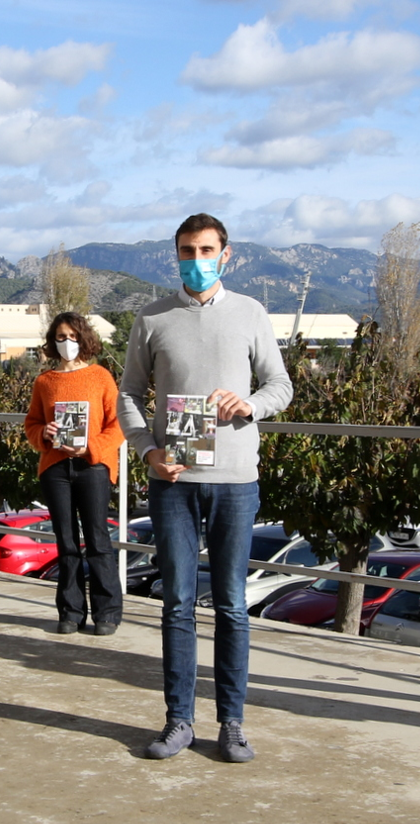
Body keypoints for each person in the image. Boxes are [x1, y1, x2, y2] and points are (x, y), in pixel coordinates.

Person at [118, 213, 293, 762]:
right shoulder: (151, 318)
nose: (196, 260)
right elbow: (127, 397)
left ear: (227, 254)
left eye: (206, 250)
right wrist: (148, 451)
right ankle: (178, 721)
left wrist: (251, 405)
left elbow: (280, 385)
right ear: (176, 255)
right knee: (175, 604)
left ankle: (233, 722)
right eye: (187, 251)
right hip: (173, 483)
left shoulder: (252, 313)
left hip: (237, 483)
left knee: (233, 606)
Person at [26, 311, 125, 635]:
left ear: (83, 339)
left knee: (98, 539)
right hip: (55, 468)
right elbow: (31, 425)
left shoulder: (101, 377)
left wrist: (91, 447)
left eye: (72, 336)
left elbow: (118, 425)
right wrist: (45, 432)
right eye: (60, 337)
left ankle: (107, 612)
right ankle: (70, 612)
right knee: (65, 542)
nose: (67, 343)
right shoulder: (44, 381)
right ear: (52, 342)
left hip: (93, 466)